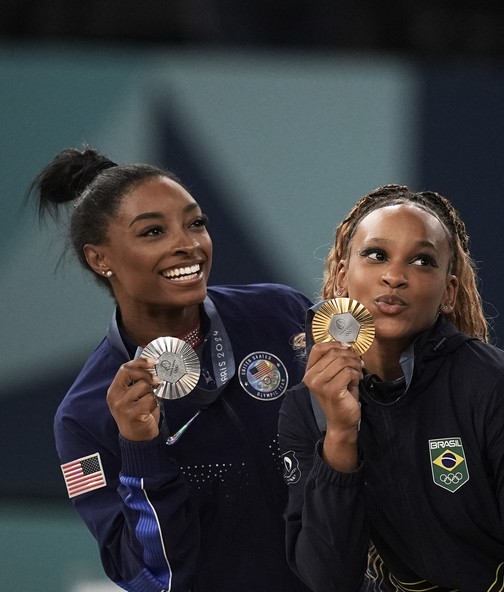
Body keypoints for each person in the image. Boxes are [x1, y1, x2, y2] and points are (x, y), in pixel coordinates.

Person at [35, 147, 313, 592]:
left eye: (195, 223)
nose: (188, 243)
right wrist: (141, 450)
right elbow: (152, 578)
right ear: (99, 258)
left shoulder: (281, 313)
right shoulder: (86, 416)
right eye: (153, 232)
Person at [278, 184, 504, 591]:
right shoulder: (308, 408)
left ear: (449, 292)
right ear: (341, 276)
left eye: (422, 261)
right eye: (376, 255)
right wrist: (339, 433)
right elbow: (330, 579)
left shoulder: (501, 389)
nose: (394, 276)